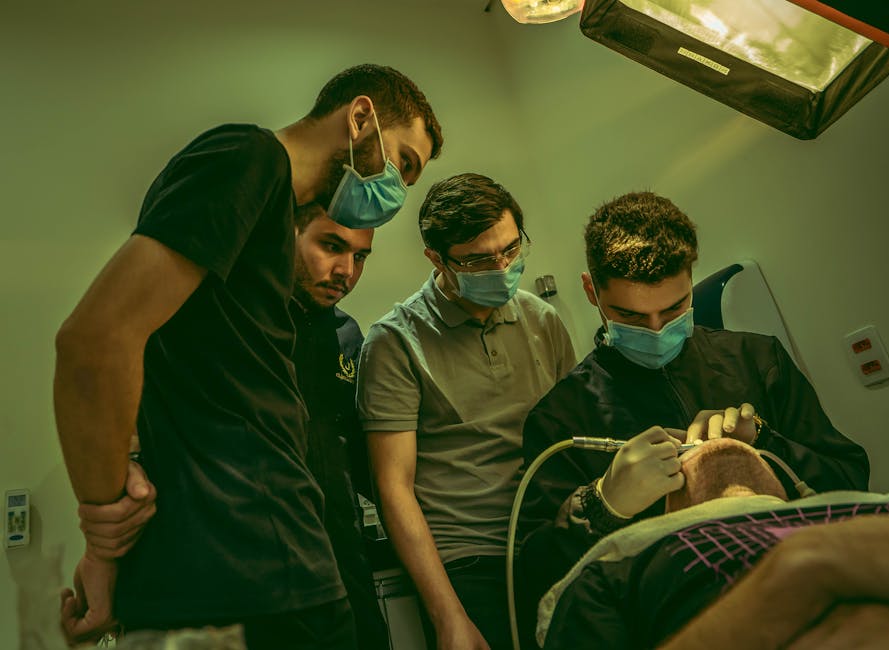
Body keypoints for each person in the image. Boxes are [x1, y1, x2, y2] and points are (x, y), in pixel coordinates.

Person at [54, 63, 442, 649]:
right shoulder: (250, 158)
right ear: (360, 118)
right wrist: (104, 535)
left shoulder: (266, 231)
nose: (397, 192)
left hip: (274, 560)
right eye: (402, 164)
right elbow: (95, 341)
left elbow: (178, 368)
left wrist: (108, 559)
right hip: (250, 570)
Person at [516, 190, 870, 645]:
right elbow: (536, 581)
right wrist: (602, 505)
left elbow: (850, 481)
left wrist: (765, 443)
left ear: (690, 280)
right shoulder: (560, 418)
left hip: (803, 598)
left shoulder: (758, 360)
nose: (656, 329)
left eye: (674, 308)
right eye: (630, 316)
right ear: (592, 292)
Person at [356, 172, 577, 650]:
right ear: (437, 259)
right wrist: (448, 617)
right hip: (468, 562)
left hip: (551, 540)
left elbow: (573, 444)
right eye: (478, 261)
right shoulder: (395, 343)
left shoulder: (542, 321)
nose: (501, 268)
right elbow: (393, 488)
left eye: (511, 250)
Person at [538, 437, 889, 649]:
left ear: (794, 491)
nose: (709, 443)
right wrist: (788, 578)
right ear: (671, 509)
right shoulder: (616, 569)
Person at [288, 202, 390, 650]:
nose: (346, 271)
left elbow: (360, 456)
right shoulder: (246, 323)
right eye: (331, 246)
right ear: (290, 233)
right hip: (263, 561)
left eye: (360, 256)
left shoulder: (348, 335)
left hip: (343, 557)